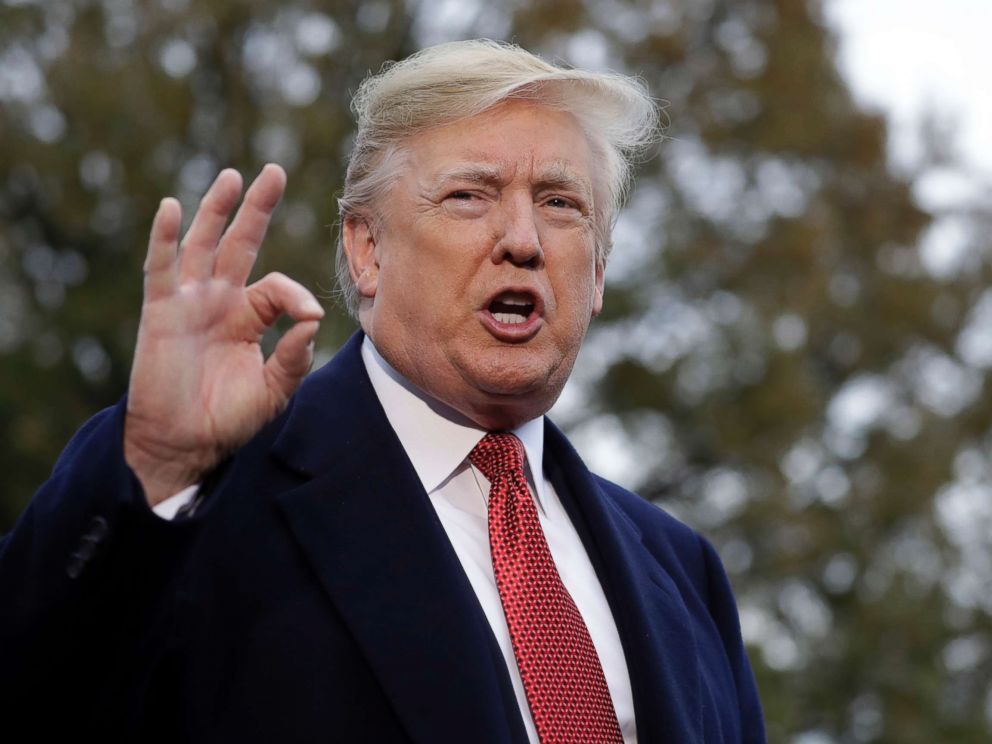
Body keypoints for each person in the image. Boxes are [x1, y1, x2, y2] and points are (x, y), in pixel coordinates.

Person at [0, 40, 765, 742]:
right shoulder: (206, 500)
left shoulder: (682, 571)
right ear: (367, 250)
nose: (524, 240)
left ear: (596, 274)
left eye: (561, 204)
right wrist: (154, 463)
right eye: (470, 195)